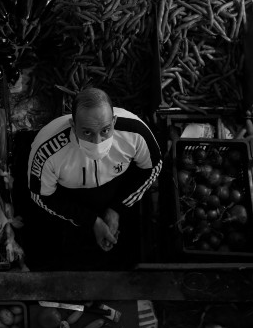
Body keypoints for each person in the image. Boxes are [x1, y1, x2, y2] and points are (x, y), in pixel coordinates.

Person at [26, 88, 162, 269]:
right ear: (73, 126)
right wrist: (91, 220)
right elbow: (42, 196)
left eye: (105, 130)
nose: (98, 142)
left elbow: (152, 168)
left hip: (118, 191)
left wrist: (117, 209)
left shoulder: (135, 133)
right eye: (87, 133)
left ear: (114, 121)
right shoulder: (48, 151)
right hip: (70, 201)